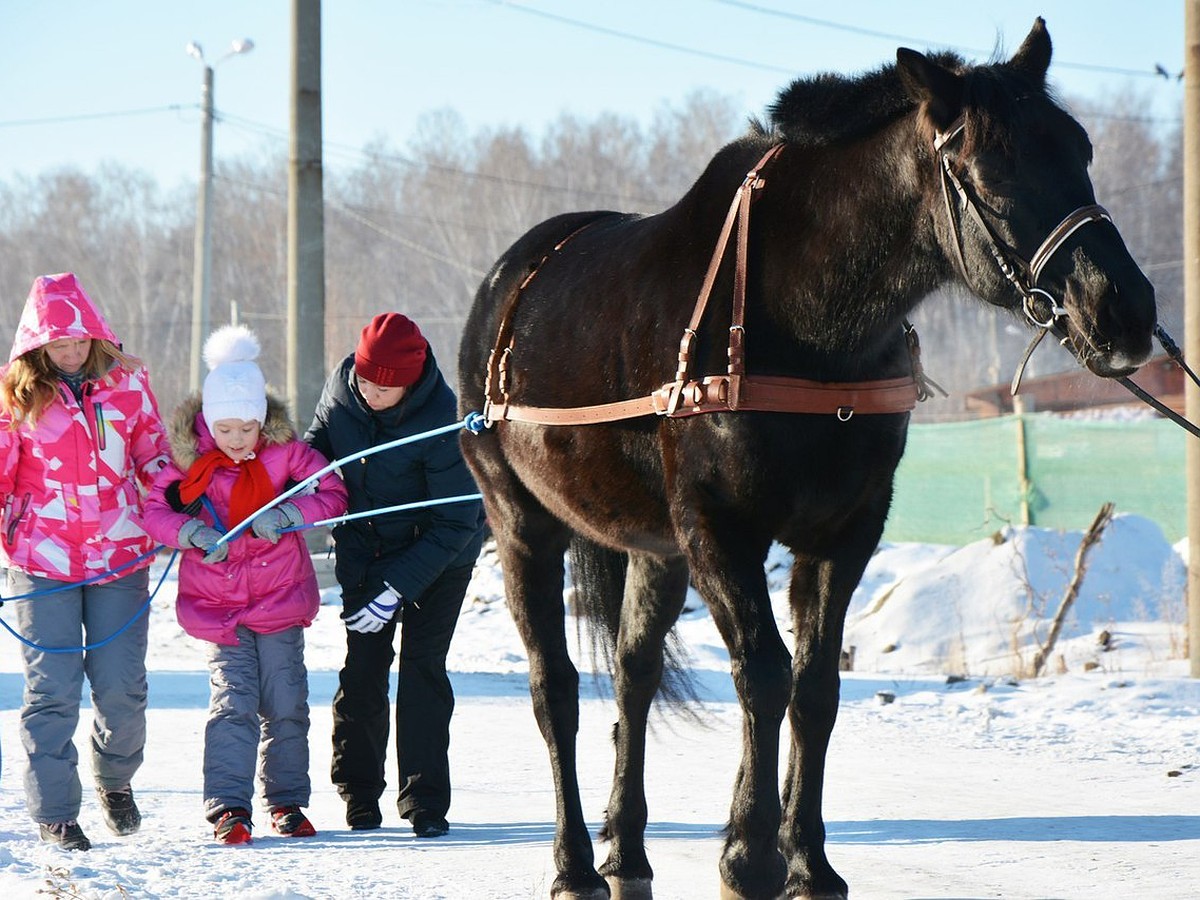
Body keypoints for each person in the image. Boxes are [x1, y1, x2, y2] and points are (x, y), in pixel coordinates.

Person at [142, 325, 347, 844]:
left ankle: (286, 801)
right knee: (232, 704)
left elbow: (333, 492)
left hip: (280, 600)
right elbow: (152, 510)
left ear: (263, 422)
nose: (237, 440)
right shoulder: (186, 464)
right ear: (209, 422)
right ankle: (229, 808)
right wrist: (187, 530)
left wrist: (288, 513)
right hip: (220, 609)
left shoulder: (289, 456)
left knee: (287, 703)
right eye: (226, 428)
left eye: (247, 428)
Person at [0, 272, 171, 851]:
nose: (70, 353)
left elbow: (153, 452)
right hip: (41, 559)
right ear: (37, 345)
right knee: (51, 691)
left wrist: (176, 495)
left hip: (119, 555)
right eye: (58, 344)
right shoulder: (15, 396)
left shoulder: (128, 385)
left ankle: (115, 781)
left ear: (94, 335)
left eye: (78, 341)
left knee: (122, 690)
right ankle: (56, 814)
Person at [305, 312, 484, 837]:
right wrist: (286, 486)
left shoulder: (442, 419)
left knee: (422, 669)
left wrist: (397, 590)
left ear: (409, 381)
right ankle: (359, 794)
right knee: (363, 670)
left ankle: (425, 801)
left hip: (441, 555)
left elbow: (457, 520)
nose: (371, 393)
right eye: (364, 381)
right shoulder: (342, 391)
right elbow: (316, 449)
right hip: (367, 550)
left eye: (384, 388)